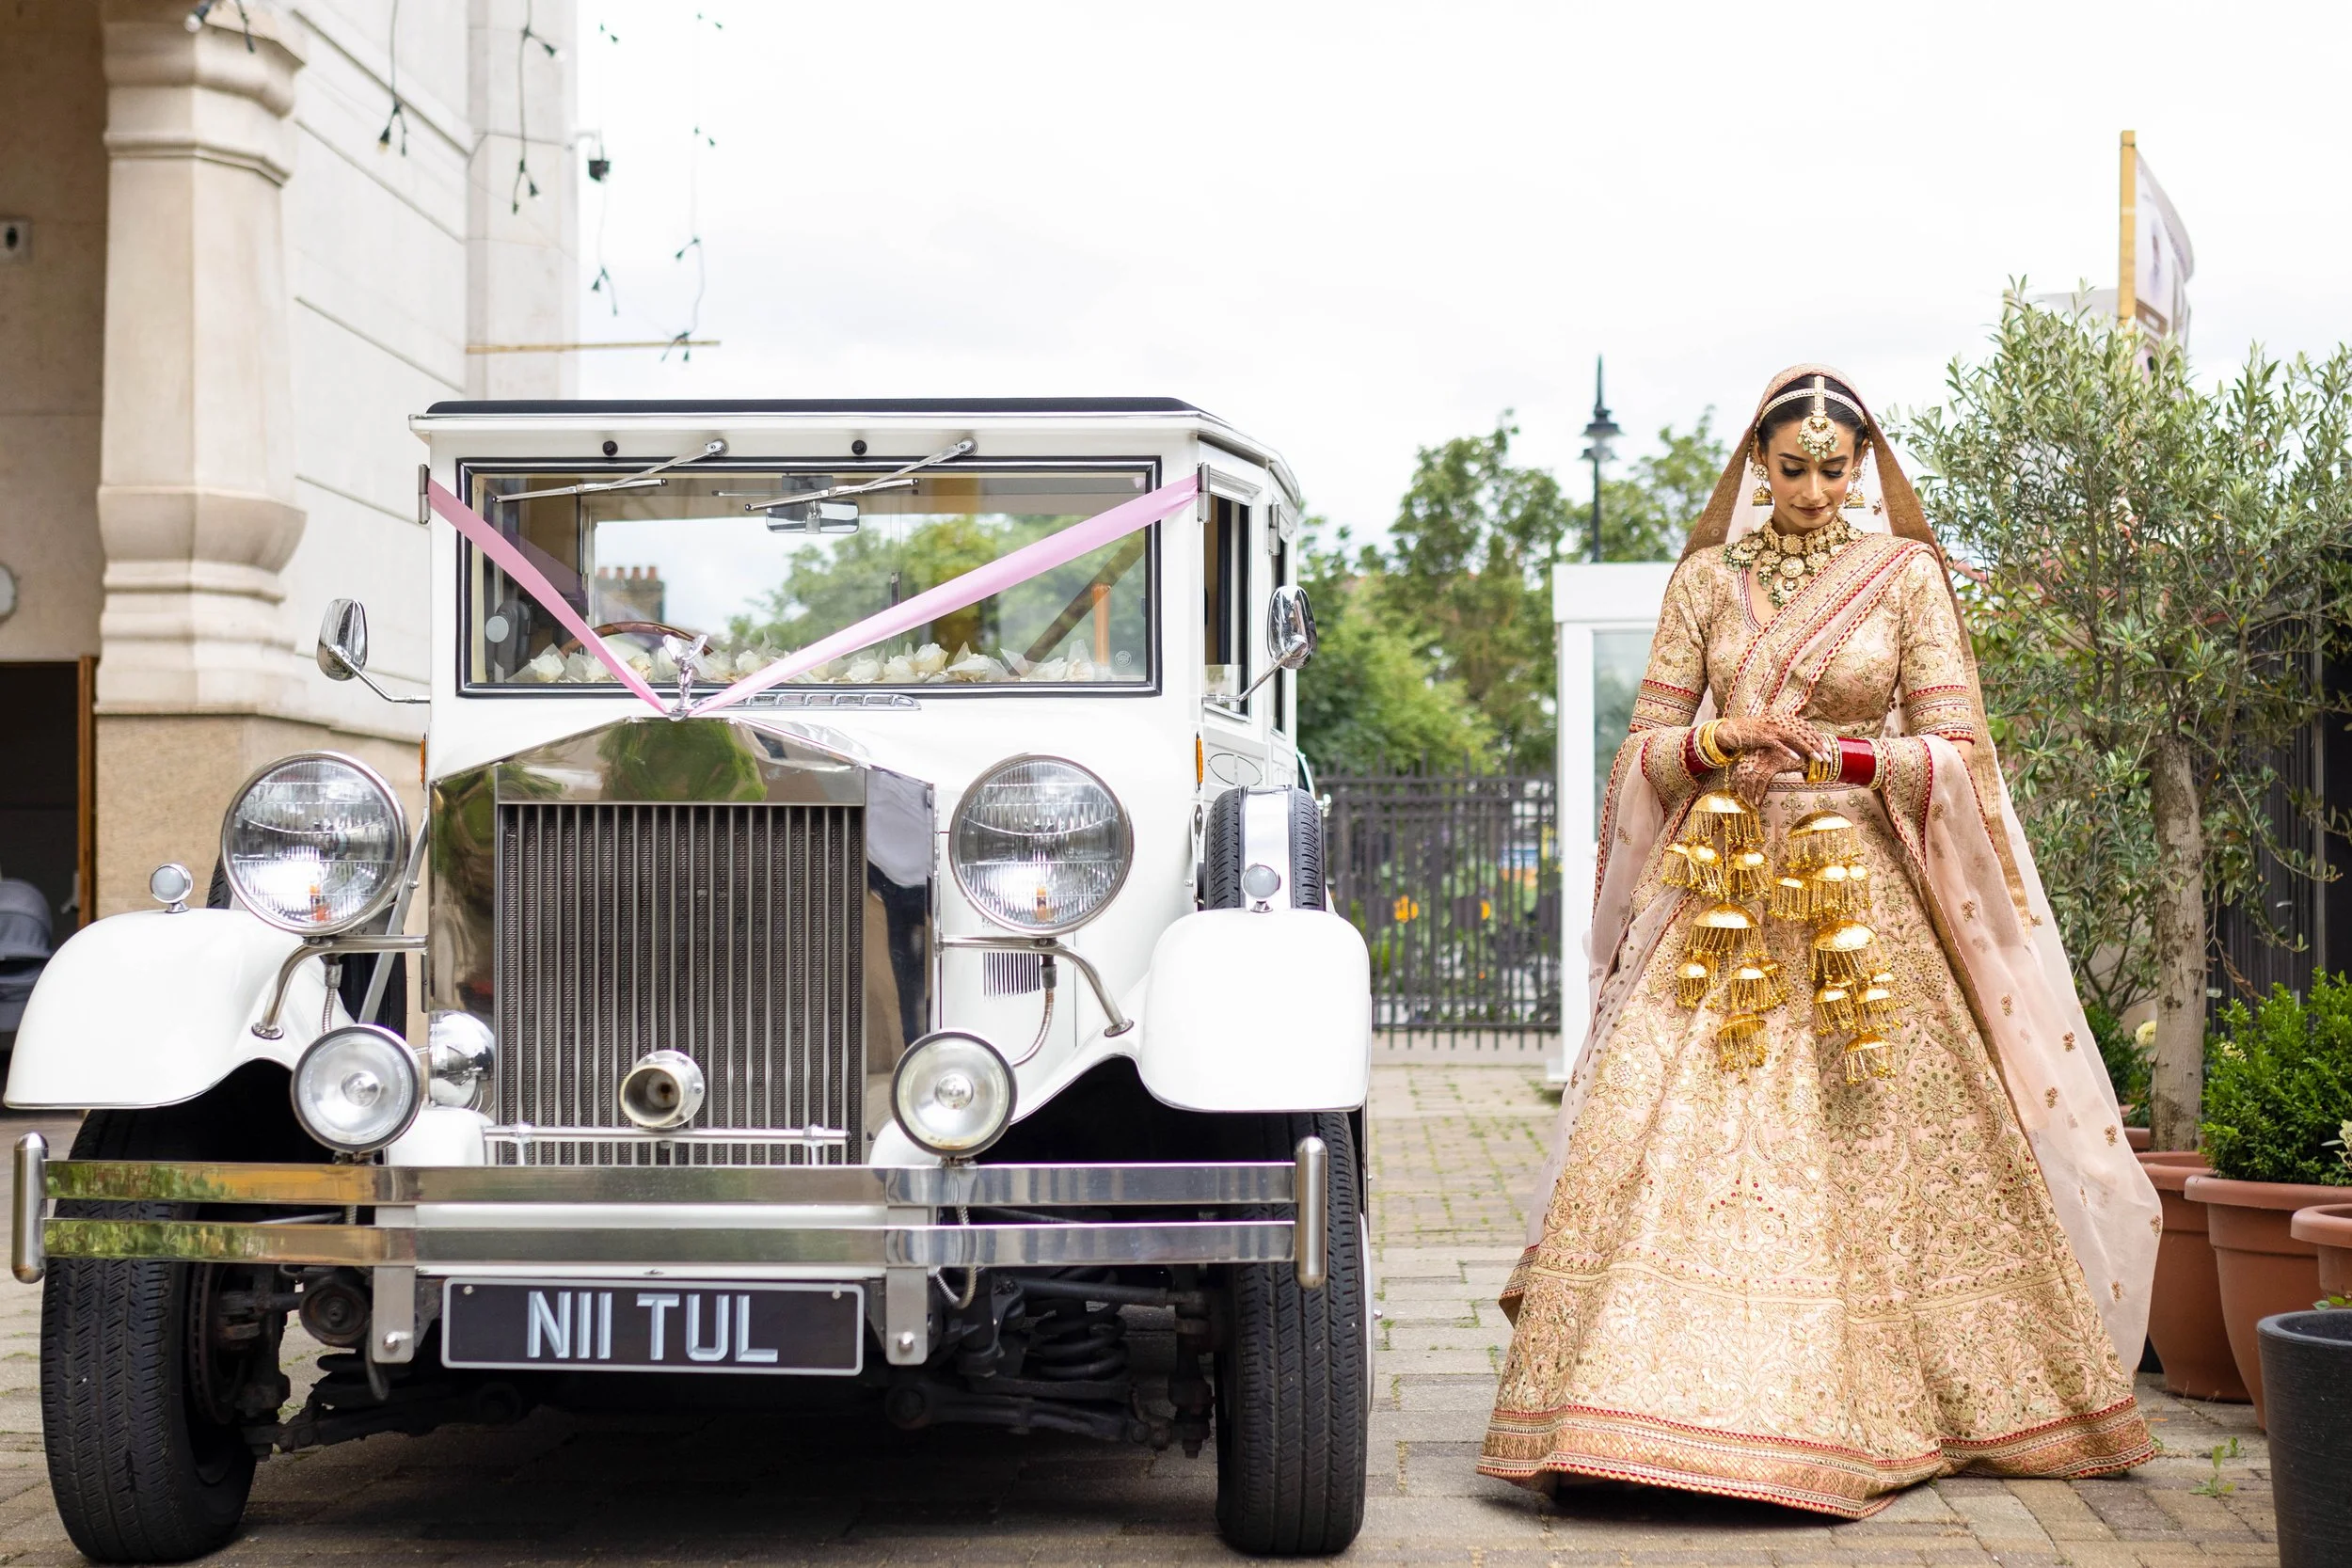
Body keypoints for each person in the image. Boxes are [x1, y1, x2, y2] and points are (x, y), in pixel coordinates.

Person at [1480, 366, 2161, 1518]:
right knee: (1666, 1119)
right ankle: (1620, 1411)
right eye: (1788, 469)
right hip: (1723, 893)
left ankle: (1891, 1398)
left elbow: (1954, 752)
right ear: (1756, 463)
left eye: (1831, 470)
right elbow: (1646, 737)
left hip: (1859, 895)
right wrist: (1715, 742)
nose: (1809, 490)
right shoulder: (1706, 579)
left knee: (1867, 1140)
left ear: (1861, 466)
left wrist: (1837, 760)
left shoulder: (1903, 578)